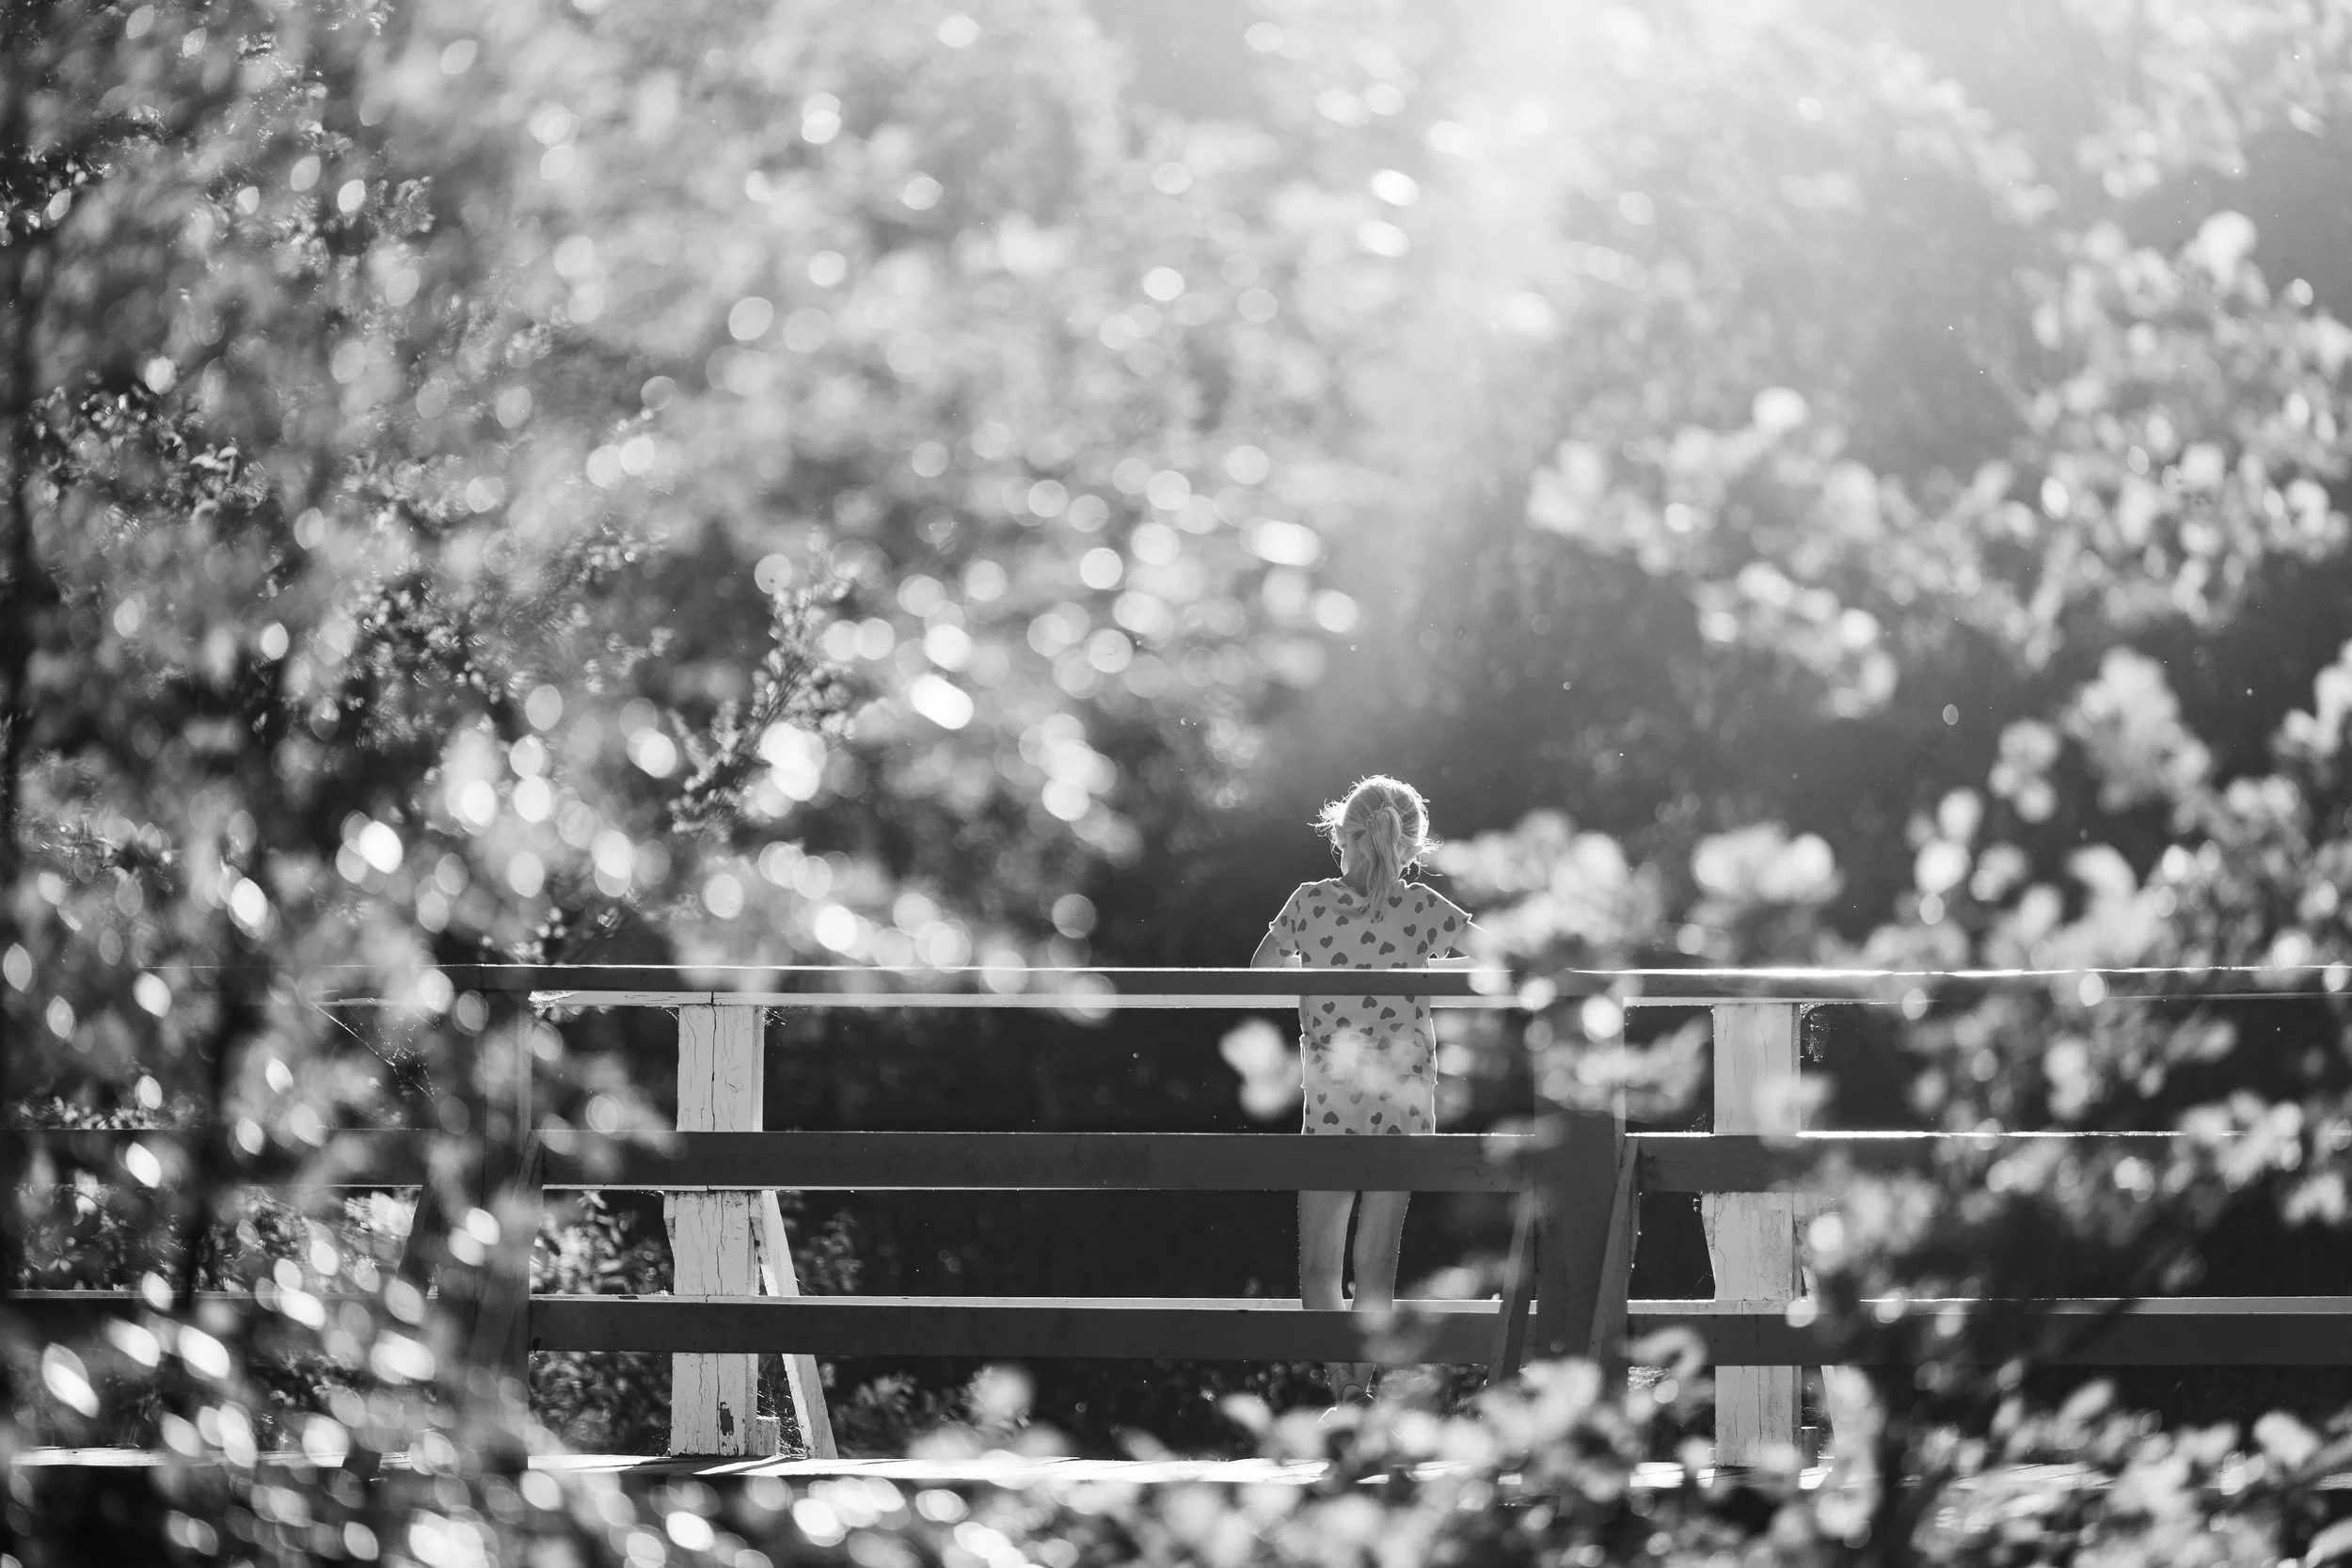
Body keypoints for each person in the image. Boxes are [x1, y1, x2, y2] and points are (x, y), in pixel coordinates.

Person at [1249, 774, 1479, 1404]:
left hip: (1331, 1097)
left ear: (1340, 837)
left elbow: (1256, 973)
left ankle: (1344, 1387)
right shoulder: (1424, 907)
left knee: (1320, 1265)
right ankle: (1364, 1385)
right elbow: (1497, 958)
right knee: (1376, 1258)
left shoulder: (1309, 902)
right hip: (1404, 1100)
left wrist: (1313, 978)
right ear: (1412, 848)